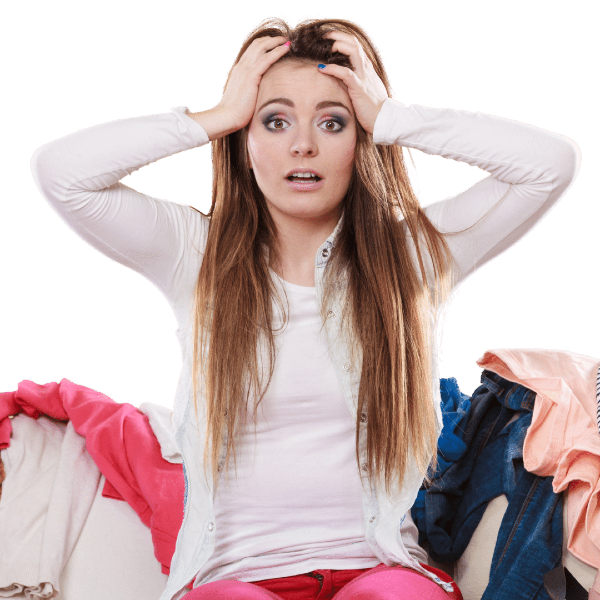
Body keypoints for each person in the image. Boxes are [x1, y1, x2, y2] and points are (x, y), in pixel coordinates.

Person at [29, 13, 580, 600]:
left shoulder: (413, 256)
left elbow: (552, 164)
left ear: (361, 139)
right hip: (235, 578)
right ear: (246, 140)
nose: (303, 145)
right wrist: (214, 117)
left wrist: (392, 116)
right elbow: (61, 173)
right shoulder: (193, 254)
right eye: (274, 120)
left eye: (333, 121)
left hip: (379, 570)